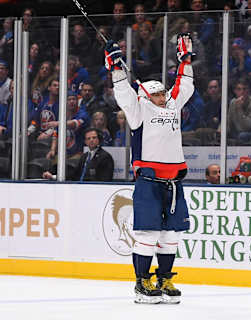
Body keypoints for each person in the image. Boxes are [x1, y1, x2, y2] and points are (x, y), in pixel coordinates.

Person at [106, 33, 194, 304]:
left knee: (171, 236)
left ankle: (164, 279)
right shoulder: (138, 110)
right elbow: (122, 93)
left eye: (162, 92)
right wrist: (117, 68)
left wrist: (186, 60)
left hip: (174, 183)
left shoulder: (172, 105)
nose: (161, 96)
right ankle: (142, 282)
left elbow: (185, 86)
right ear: (145, 95)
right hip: (149, 181)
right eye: (155, 93)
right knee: (147, 235)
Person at [42, 128, 114, 181]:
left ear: (99, 140)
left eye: (94, 138)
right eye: (88, 138)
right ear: (85, 142)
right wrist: (53, 177)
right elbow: (74, 175)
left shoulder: (105, 157)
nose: (91, 140)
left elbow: (105, 180)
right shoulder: (85, 156)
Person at [227, 78, 251, 145]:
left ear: (248, 90)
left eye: (244, 89)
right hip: (238, 132)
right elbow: (229, 122)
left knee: (242, 135)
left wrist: (239, 108)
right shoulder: (233, 102)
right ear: (235, 91)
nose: (242, 92)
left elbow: (246, 127)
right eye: (239, 89)